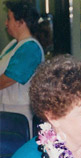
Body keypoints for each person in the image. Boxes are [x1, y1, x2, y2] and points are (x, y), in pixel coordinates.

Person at [0, 1, 45, 134]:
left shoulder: (30, 48)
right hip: (7, 110)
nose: (6, 23)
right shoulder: (14, 44)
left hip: (20, 114)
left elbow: (9, 78)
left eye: (9, 18)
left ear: (21, 22)